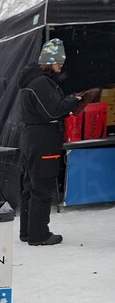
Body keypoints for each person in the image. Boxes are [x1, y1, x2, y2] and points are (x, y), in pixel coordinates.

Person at [17, 38, 99, 246]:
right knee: (42, 188)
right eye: (59, 62)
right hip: (43, 140)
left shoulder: (31, 81)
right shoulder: (41, 82)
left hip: (31, 138)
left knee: (30, 186)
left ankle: (27, 232)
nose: (61, 65)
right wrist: (74, 100)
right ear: (49, 60)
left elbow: (49, 107)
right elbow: (54, 110)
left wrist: (67, 101)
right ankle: (39, 235)